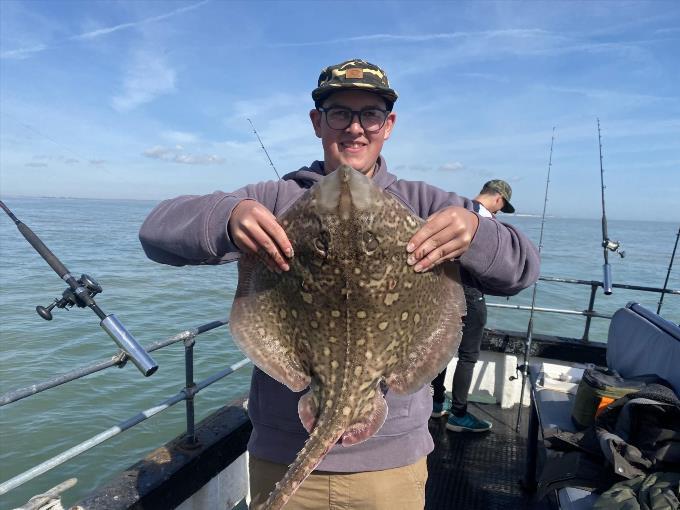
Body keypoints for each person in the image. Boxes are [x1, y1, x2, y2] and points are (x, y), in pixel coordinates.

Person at [139, 59, 539, 510]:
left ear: (388, 125)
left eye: (369, 114)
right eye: (339, 113)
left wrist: (476, 231)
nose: (355, 128)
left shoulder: (428, 204)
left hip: (391, 468)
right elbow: (156, 232)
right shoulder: (275, 200)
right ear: (317, 122)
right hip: (283, 457)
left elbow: (522, 268)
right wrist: (227, 218)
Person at [430, 179, 516, 433]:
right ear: (498, 199)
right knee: (468, 356)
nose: (499, 212)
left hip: (445, 293)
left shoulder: (458, 213)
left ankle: (436, 402)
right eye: (501, 207)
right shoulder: (485, 222)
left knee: (443, 349)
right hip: (470, 295)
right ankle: (459, 412)